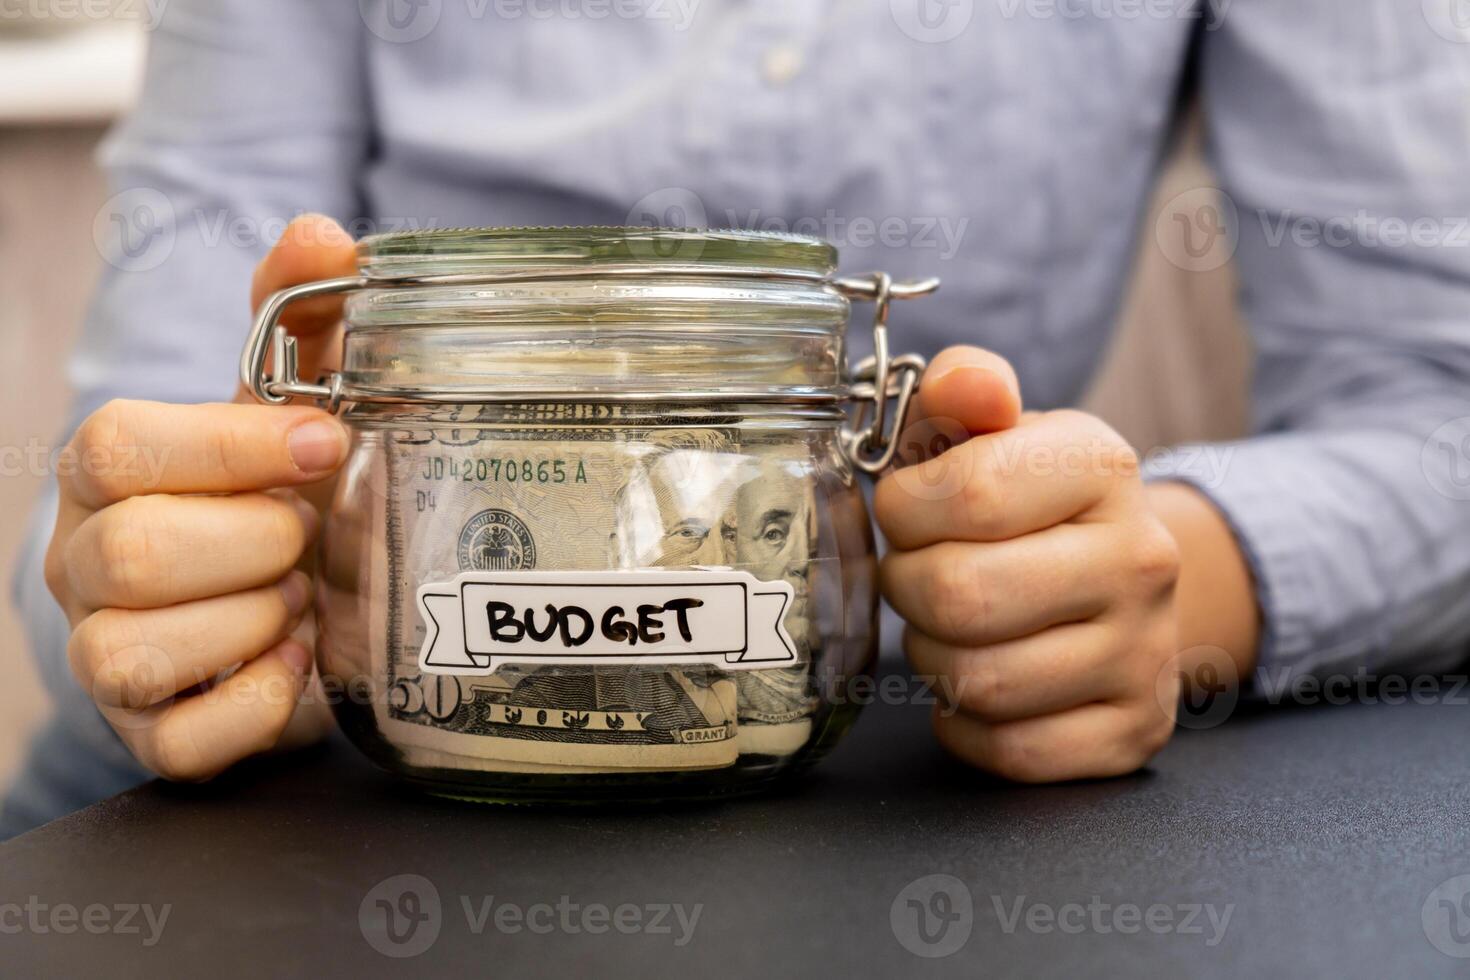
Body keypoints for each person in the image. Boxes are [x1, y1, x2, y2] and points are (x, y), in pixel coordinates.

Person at [4, 0, 1468, 836]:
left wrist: (1154, 570)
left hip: (917, 780)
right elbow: (133, 447)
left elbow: (1436, 406)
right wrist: (174, 574)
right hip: (275, 803)